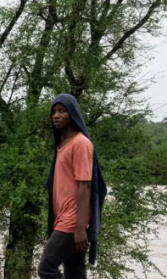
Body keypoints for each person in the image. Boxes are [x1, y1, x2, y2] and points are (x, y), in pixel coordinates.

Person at [38, 94, 107, 279]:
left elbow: (85, 186)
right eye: (53, 111)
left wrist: (79, 228)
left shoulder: (81, 144)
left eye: (62, 111)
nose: (56, 116)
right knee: (74, 271)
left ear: (73, 114)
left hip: (71, 222)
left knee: (46, 268)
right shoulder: (61, 144)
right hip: (62, 218)